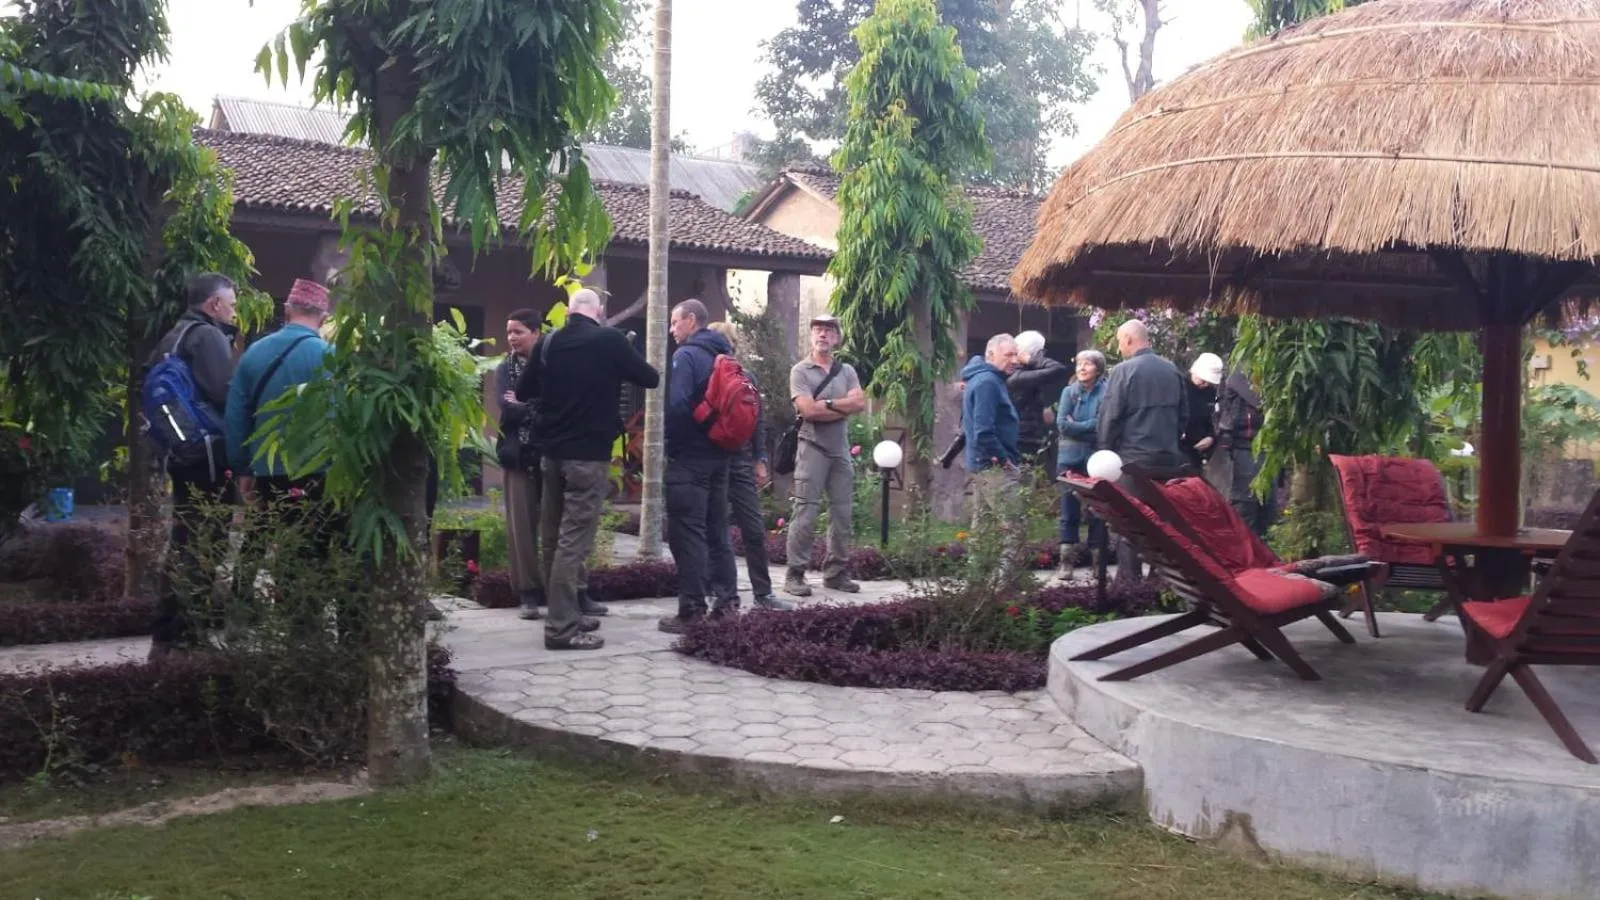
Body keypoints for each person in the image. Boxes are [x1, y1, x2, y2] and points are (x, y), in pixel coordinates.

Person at [529, 288, 659, 650]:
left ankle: (566, 613)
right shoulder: (610, 340)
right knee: (573, 542)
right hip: (587, 456)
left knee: (553, 538)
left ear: (571, 311)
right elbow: (650, 378)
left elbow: (525, 390)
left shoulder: (549, 342)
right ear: (598, 312)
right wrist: (618, 360)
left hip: (550, 455)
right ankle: (560, 629)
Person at [148, 273, 240, 659]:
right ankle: (190, 635)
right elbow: (224, 391)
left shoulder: (172, 337)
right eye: (232, 304)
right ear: (214, 305)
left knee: (183, 539)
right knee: (206, 542)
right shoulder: (207, 336)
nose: (234, 312)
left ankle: (167, 635)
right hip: (206, 456)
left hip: (179, 454)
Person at [658, 301, 742, 633]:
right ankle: (727, 605)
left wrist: (673, 445)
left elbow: (678, 406)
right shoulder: (725, 356)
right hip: (720, 455)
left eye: (675, 322)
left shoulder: (687, 356)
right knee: (717, 531)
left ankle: (691, 610)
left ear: (691, 321)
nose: (671, 329)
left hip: (690, 459)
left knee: (687, 534)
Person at [707, 321, 792, 613]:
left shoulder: (746, 377)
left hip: (740, 461)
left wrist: (760, 458)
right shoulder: (703, 373)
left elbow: (757, 420)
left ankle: (763, 594)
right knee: (715, 528)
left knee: (753, 528)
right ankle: (717, 591)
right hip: (711, 460)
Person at [1097, 320, 1188, 583]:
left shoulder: (1123, 371)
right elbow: (1184, 415)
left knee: (1129, 523)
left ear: (1127, 340)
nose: (1118, 347)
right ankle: (1161, 581)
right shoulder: (1172, 369)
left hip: (1133, 461)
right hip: (1168, 460)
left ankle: (1129, 583)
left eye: (1118, 341)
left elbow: (1110, 417)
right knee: (1162, 525)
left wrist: (1105, 453)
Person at [784, 314, 867, 598]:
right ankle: (795, 574)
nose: (822, 335)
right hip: (812, 448)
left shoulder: (847, 371)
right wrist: (841, 407)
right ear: (811, 336)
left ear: (836, 338)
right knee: (805, 513)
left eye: (828, 331)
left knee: (842, 514)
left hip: (840, 451)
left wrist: (828, 403)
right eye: (818, 330)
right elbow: (808, 411)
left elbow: (860, 403)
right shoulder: (800, 371)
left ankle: (836, 573)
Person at [495, 308, 551, 621]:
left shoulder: (551, 364)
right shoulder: (505, 368)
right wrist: (534, 409)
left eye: (518, 331)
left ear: (536, 332)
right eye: (509, 332)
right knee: (521, 527)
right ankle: (528, 594)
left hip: (551, 454)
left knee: (558, 526)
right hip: (518, 455)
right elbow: (506, 407)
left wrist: (525, 406)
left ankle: (570, 591)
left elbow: (555, 404)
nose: (512, 338)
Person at [961, 334, 1025, 578]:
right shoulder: (988, 382)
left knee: (983, 530)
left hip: (982, 465)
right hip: (995, 467)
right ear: (990, 355)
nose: (1014, 360)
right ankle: (1004, 586)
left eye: (1015, 354)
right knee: (1013, 529)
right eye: (1008, 355)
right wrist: (1004, 460)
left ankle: (976, 584)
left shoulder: (983, 379)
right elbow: (983, 431)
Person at [1056, 349, 1109, 571]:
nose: (1081, 369)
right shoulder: (1068, 392)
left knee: (1097, 511)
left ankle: (1098, 563)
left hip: (1095, 459)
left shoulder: (1106, 392)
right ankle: (1066, 563)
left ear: (1098, 369)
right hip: (1068, 459)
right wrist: (1087, 425)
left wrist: (1077, 425)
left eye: (1087, 364)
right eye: (1078, 364)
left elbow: (1101, 425)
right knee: (1069, 510)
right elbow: (1062, 424)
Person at [1213, 367, 1275, 538]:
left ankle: (1265, 549)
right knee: (1246, 504)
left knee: (1268, 505)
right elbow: (1260, 401)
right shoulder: (1240, 374)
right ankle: (1248, 549)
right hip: (1244, 446)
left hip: (1265, 447)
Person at [1006, 330, 1071, 474]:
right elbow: (1058, 369)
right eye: (1042, 352)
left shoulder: (1022, 373)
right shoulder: (1019, 375)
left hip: (1027, 436)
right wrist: (1031, 359)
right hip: (1023, 439)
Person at [1182, 352, 1224, 470]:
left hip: (1200, 452)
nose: (1205, 384)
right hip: (1181, 449)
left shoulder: (1210, 392)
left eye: (1208, 382)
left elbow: (1210, 419)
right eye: (1203, 380)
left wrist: (1211, 437)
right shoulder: (1180, 387)